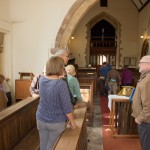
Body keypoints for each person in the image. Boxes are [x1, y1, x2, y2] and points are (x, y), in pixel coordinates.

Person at [36, 56, 77, 150]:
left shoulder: (41, 80)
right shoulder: (61, 84)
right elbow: (67, 108)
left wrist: (58, 77)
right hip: (56, 122)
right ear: (59, 68)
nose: (64, 68)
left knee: (43, 145)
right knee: (51, 147)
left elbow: (50, 86)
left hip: (41, 119)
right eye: (63, 66)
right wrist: (72, 122)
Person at [132, 55, 150, 150]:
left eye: (141, 63)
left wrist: (140, 118)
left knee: (146, 147)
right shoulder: (145, 77)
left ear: (148, 65)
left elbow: (149, 105)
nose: (139, 65)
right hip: (145, 121)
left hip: (146, 122)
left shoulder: (148, 80)